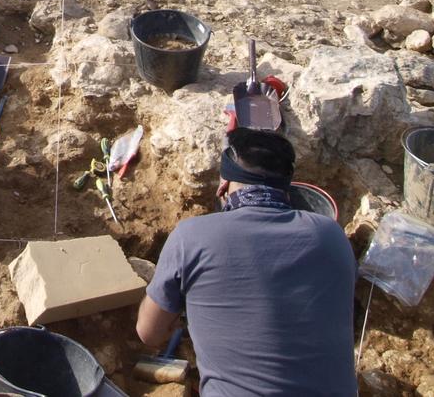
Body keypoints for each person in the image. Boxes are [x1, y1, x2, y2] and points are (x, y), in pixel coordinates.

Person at [136, 128, 357, 396]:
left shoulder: (191, 237)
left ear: (224, 186)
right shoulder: (332, 236)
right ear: (287, 187)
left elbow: (149, 334)